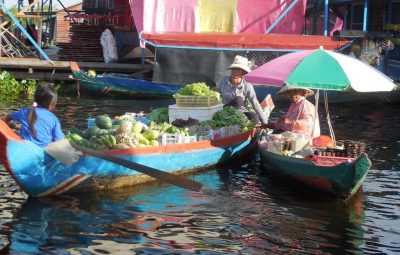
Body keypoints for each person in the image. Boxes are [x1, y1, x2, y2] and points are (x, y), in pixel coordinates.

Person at [3, 83, 64, 148]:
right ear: (52, 105)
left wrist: (4, 127)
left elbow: (8, 117)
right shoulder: (53, 118)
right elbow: (59, 141)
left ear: (35, 99)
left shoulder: (25, 111)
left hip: (24, 149)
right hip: (43, 152)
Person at [216, 55, 268, 126]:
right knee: (238, 100)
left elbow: (254, 102)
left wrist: (264, 122)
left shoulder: (247, 85)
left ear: (243, 73)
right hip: (225, 112)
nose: (235, 72)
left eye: (238, 70)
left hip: (240, 113)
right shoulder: (223, 80)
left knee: (255, 117)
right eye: (234, 69)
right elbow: (215, 93)